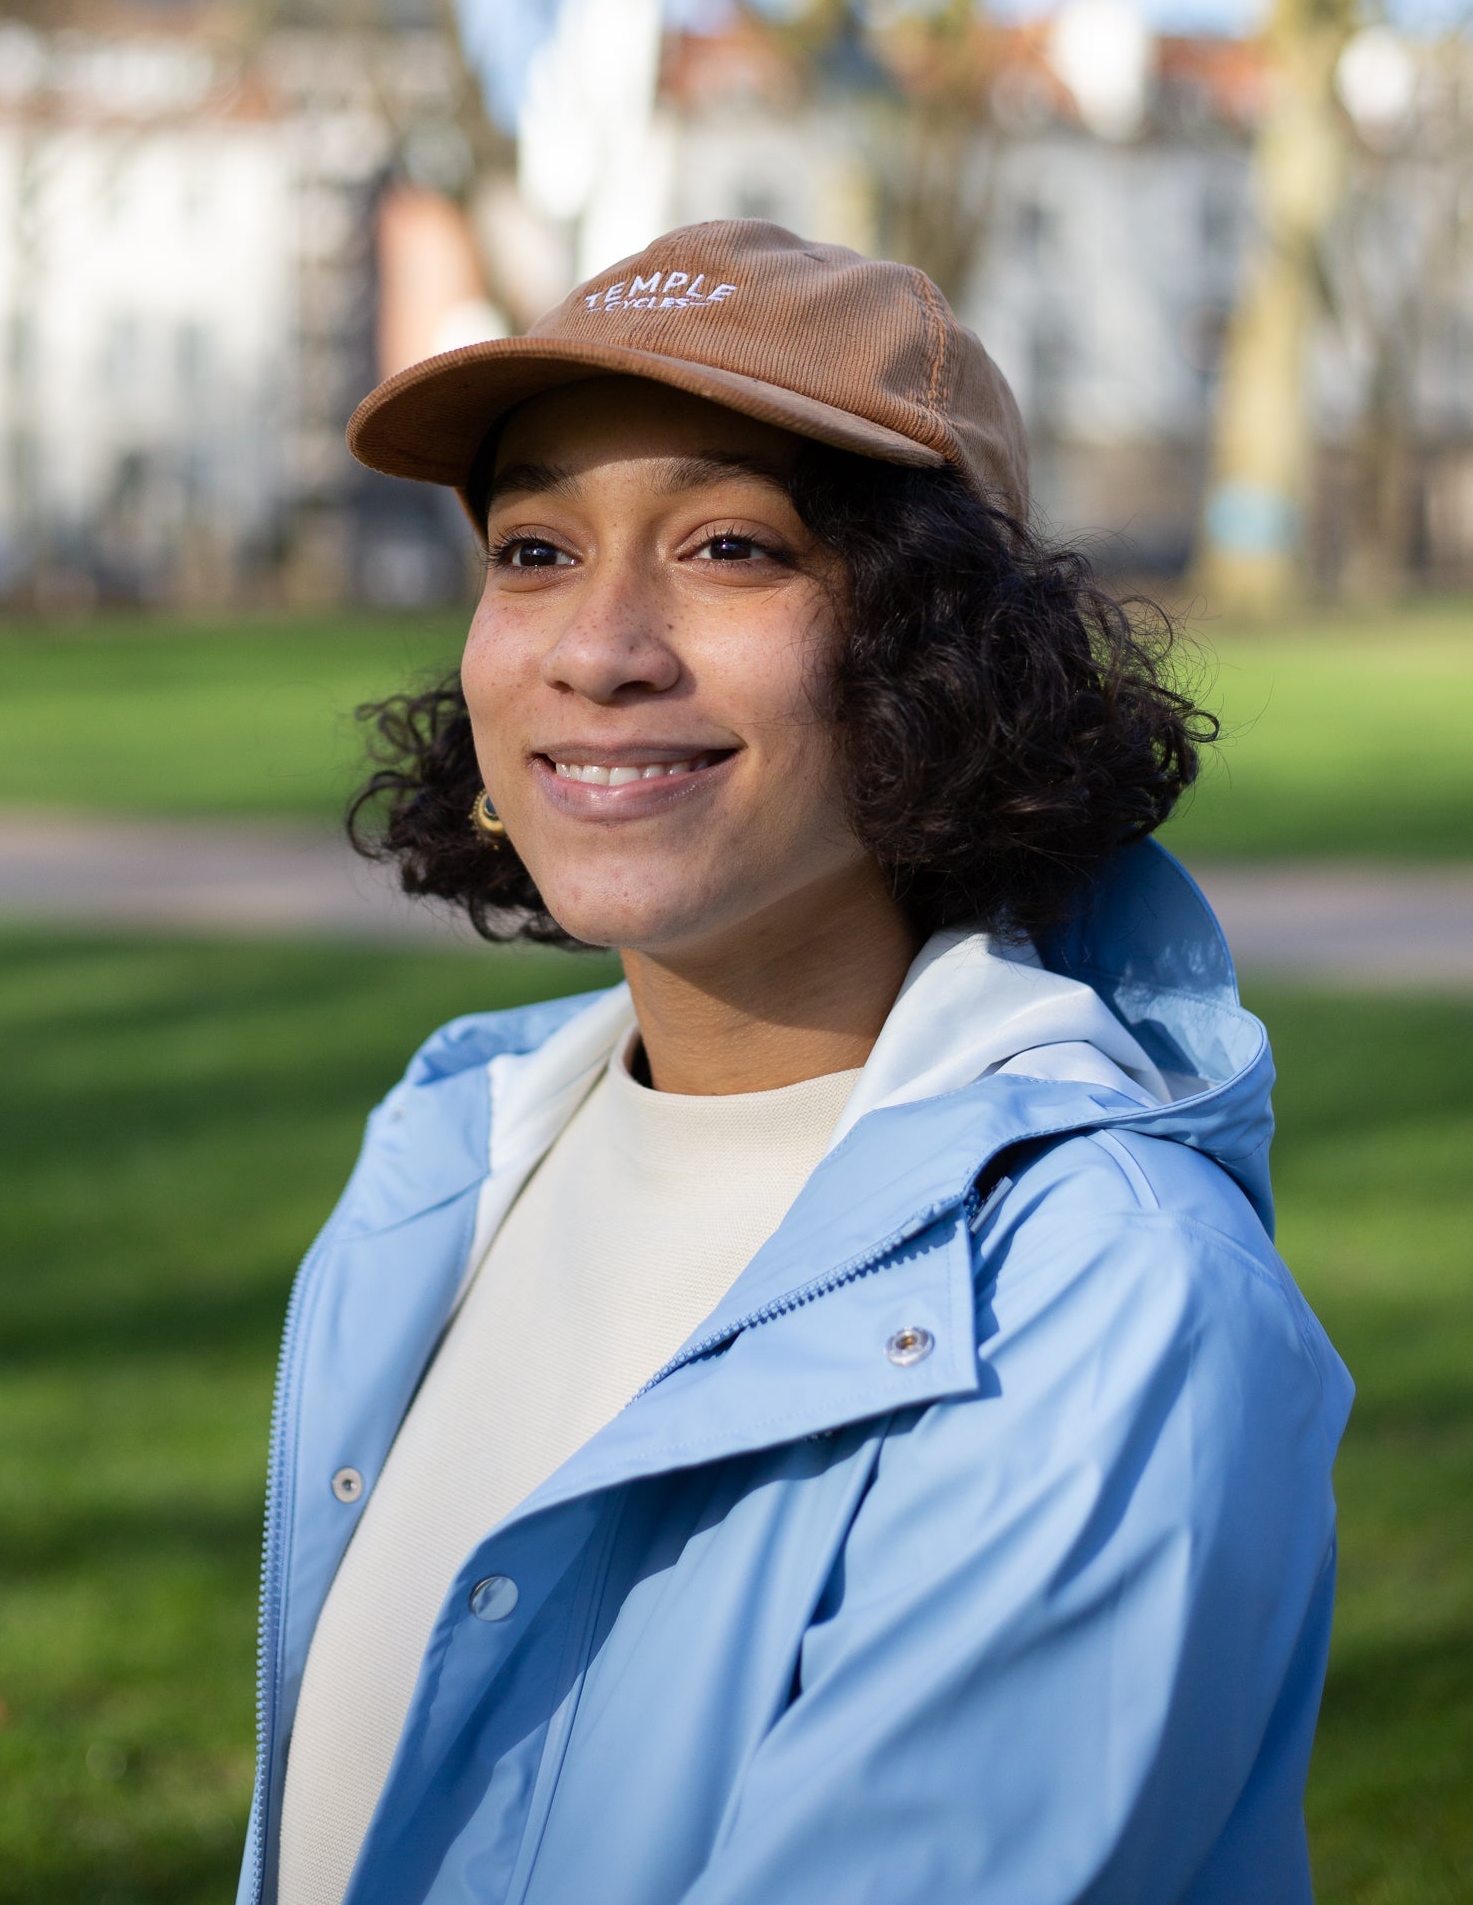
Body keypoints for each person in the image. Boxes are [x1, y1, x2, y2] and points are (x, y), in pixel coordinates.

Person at [239, 219, 1351, 1905]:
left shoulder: (1107, 1301)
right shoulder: (451, 1153)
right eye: (533, 550)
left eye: (730, 547)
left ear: (944, 655)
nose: (596, 649)